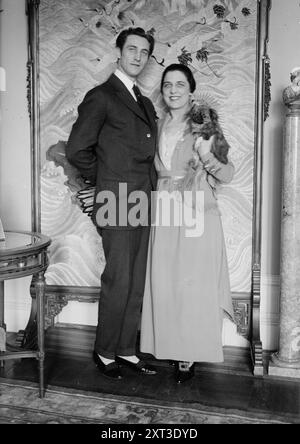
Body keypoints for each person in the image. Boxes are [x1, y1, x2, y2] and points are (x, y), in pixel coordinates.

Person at [66, 28, 158, 379]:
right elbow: (77, 149)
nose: (137, 56)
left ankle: (125, 349)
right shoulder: (102, 96)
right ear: (118, 52)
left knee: (135, 279)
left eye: (144, 51)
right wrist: (107, 180)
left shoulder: (145, 102)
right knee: (118, 277)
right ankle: (104, 351)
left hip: (143, 198)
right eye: (131, 49)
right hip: (116, 198)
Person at [140, 64, 235, 383]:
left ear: (191, 90)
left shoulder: (203, 124)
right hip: (164, 205)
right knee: (167, 280)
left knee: (193, 284)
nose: (173, 89)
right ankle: (170, 344)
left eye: (180, 84)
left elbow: (227, 172)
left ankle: (190, 353)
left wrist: (208, 155)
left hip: (197, 207)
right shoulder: (155, 124)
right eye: (167, 84)